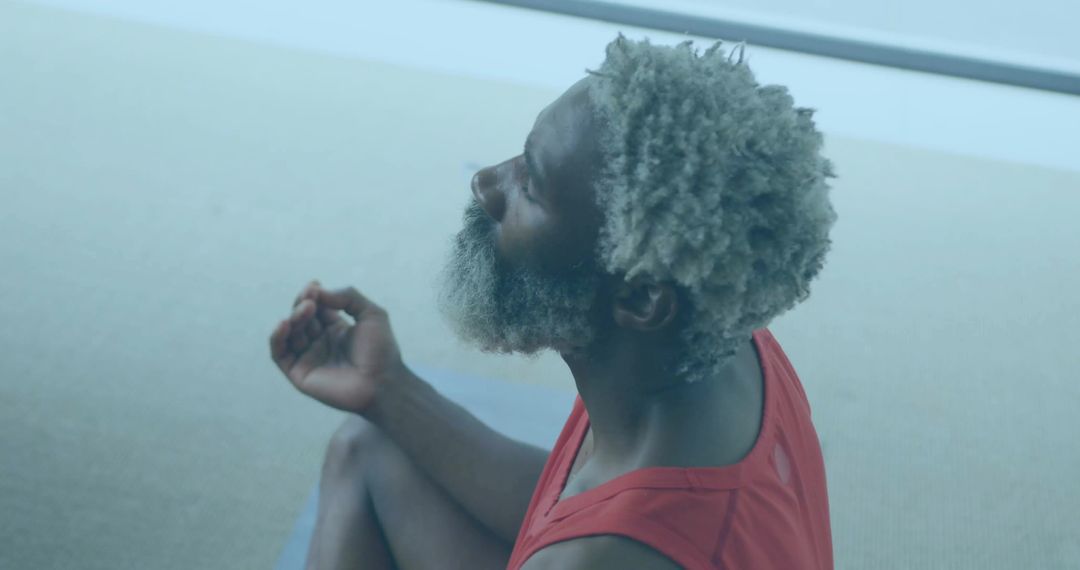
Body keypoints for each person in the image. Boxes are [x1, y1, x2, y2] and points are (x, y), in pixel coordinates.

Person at [270, 34, 837, 570]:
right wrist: (388, 389)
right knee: (368, 447)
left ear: (640, 298)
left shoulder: (606, 558)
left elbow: (609, 533)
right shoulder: (721, 346)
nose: (487, 185)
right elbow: (576, 500)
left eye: (531, 187)